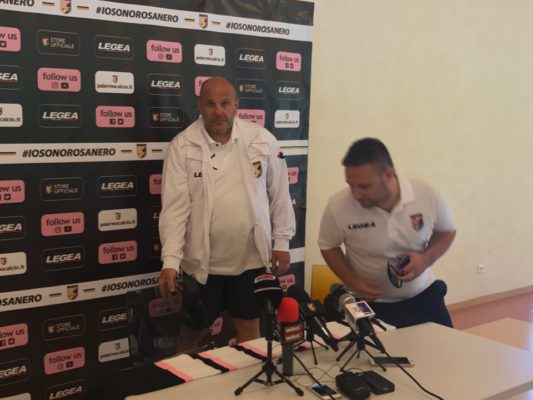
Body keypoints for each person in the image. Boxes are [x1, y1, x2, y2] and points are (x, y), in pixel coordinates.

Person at [158, 77, 295, 343]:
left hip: (251, 260)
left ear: (236, 105)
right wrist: (170, 261)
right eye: (210, 104)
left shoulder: (262, 140)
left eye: (225, 103)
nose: (218, 111)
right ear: (199, 105)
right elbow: (174, 210)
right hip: (201, 264)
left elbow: (279, 194)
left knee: (249, 331)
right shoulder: (182, 146)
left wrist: (282, 242)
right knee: (192, 336)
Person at [318, 138, 456, 328]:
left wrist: (426, 258)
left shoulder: (427, 195)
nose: (356, 194)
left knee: (446, 346)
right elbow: (328, 245)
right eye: (351, 185)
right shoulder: (338, 205)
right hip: (367, 304)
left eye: (364, 186)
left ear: (389, 174)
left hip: (422, 297)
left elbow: (447, 231)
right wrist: (351, 280)